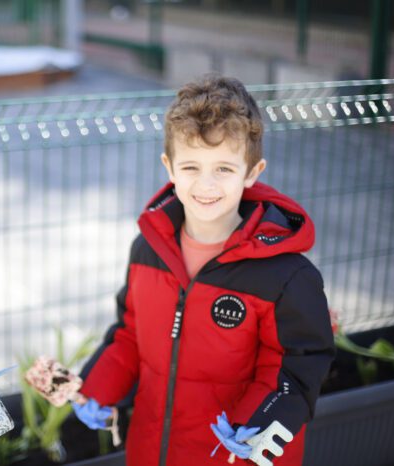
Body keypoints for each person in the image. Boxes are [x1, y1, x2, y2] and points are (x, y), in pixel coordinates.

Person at [72, 75, 335, 465]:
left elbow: (299, 362)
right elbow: (129, 333)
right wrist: (99, 388)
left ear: (252, 171)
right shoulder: (147, 250)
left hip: (233, 455)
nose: (206, 184)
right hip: (152, 450)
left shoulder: (285, 275)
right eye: (191, 166)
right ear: (170, 168)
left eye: (224, 168)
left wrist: (260, 422)